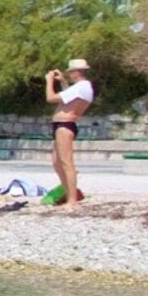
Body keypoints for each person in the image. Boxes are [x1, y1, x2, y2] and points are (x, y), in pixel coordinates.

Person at [47, 58, 95, 204]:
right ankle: (71, 193)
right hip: (60, 125)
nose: (70, 74)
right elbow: (69, 96)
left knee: (67, 163)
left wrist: (49, 81)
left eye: (71, 72)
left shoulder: (83, 86)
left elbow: (51, 98)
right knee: (57, 162)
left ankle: (72, 200)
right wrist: (62, 82)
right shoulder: (81, 87)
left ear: (77, 72)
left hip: (65, 125)